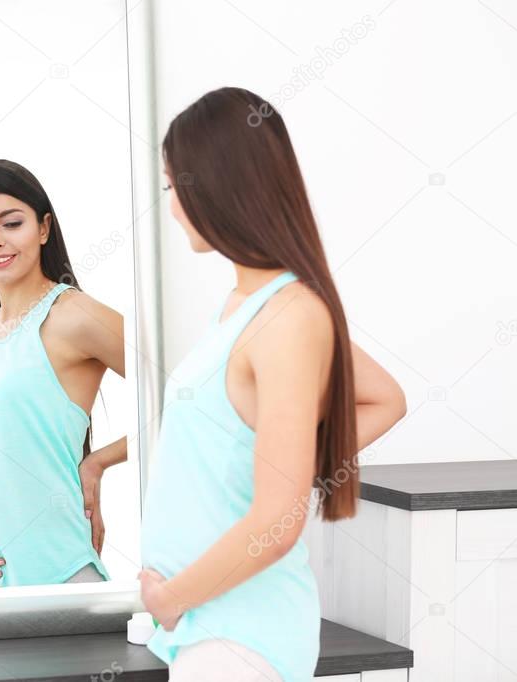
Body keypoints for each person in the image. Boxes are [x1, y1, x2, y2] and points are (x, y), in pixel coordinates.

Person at [138, 87, 408, 681]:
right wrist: (279, 461)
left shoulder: (288, 317)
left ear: (215, 182)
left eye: (173, 186)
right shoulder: (249, 306)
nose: (174, 206)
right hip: (216, 634)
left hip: (239, 639)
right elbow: (384, 396)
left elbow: (278, 525)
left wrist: (173, 598)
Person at [0, 159, 127, 588]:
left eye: (11, 223)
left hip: (55, 577)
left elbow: (190, 393)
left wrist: (97, 462)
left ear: (43, 228)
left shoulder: (73, 316)